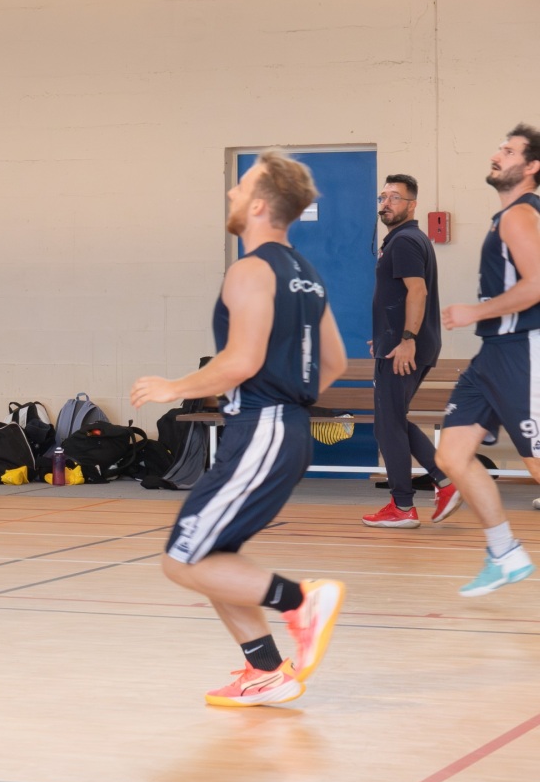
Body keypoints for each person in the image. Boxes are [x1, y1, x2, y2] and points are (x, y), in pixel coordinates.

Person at [131, 151, 347, 708]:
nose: (231, 193)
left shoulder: (250, 270)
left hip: (262, 430)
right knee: (211, 557)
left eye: (241, 186)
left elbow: (242, 361)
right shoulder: (306, 274)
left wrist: (174, 386)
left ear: (258, 206)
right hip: (282, 429)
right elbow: (334, 362)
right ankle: (267, 670)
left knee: (182, 560)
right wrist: (289, 398)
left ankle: (301, 601)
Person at [435, 126, 540, 596]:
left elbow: (537, 284)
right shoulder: (507, 217)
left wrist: (474, 312)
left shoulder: (520, 215)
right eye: (499, 148)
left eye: (509, 151)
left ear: (532, 167)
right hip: (492, 355)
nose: (497, 155)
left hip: (522, 349)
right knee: (451, 455)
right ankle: (504, 554)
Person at [362, 174, 455, 527]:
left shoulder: (404, 241)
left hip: (406, 346)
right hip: (398, 342)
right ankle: (442, 482)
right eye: (383, 197)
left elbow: (418, 291)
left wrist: (406, 339)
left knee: (388, 425)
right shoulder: (406, 239)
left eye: (395, 198)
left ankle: (404, 506)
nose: (386, 203)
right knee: (391, 421)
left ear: (412, 204)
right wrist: (387, 336)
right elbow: (398, 296)